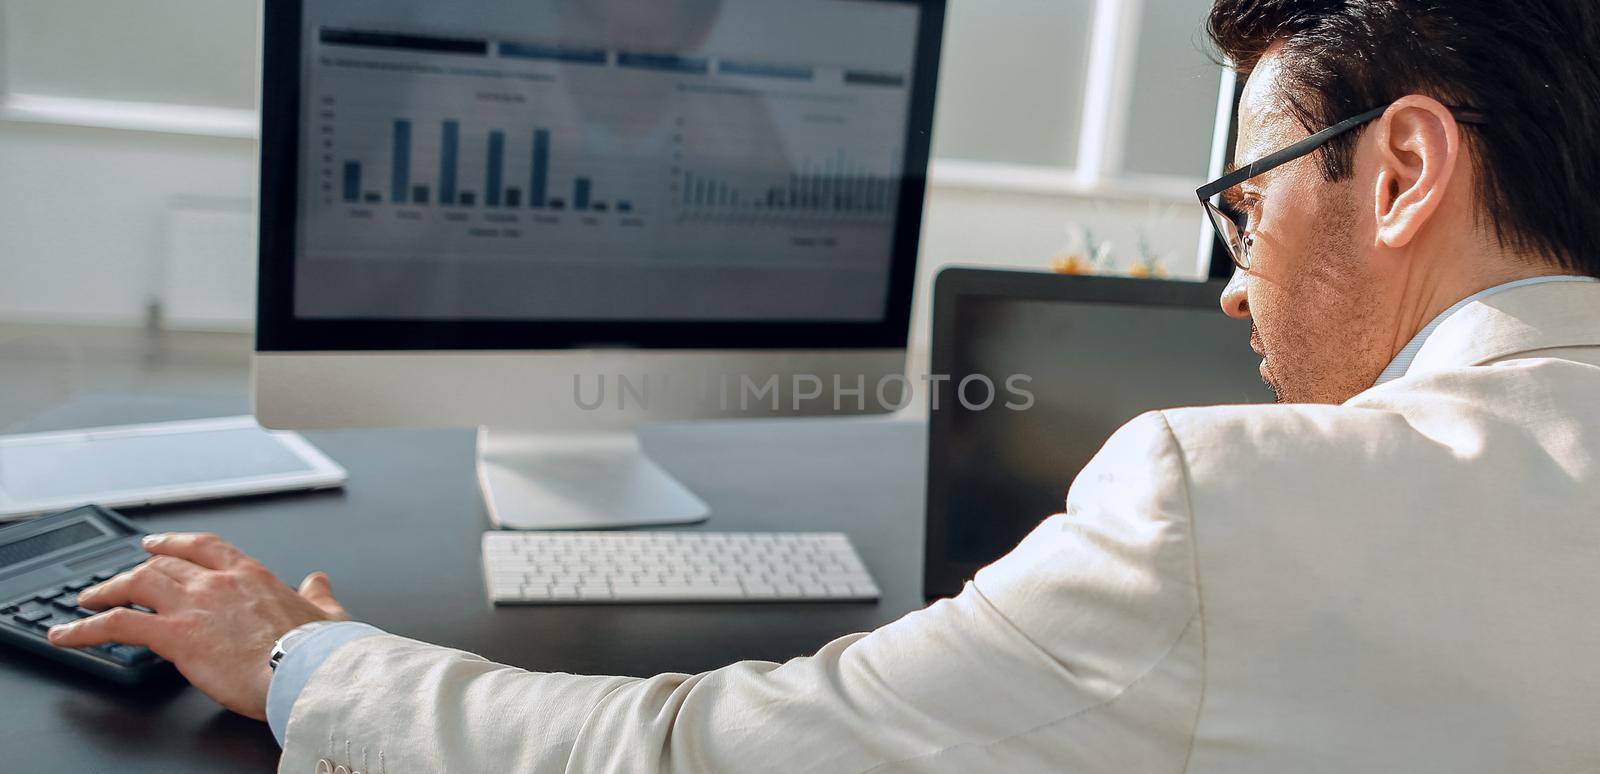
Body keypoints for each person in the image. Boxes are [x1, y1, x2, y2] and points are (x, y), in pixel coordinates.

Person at [47, 0, 1600, 770]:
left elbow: (682, 756)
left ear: (1401, 169)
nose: (1228, 278)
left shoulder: (1231, 501)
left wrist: (310, 664)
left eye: (1243, 206)